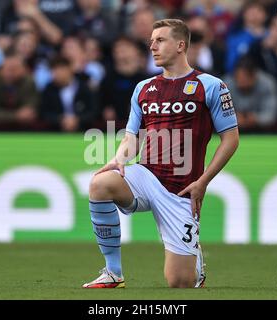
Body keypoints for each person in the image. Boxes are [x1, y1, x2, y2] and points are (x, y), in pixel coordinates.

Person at [83, 19, 239, 289]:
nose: (152, 46)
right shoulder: (144, 88)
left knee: (179, 283)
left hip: (181, 189)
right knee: (100, 182)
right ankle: (113, 272)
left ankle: (194, 260)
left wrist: (203, 181)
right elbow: (132, 136)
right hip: (146, 175)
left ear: (181, 45)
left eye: (160, 40)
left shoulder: (210, 86)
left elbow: (231, 139)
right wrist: (120, 158)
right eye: (151, 41)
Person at [40, 56, 97, 132]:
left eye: (60, 69)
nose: (56, 74)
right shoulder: (49, 89)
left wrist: (77, 119)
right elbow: (44, 112)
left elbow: (93, 111)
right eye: (53, 70)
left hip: (84, 132)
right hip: (56, 132)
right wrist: (61, 119)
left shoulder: (84, 87)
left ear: (69, 69)